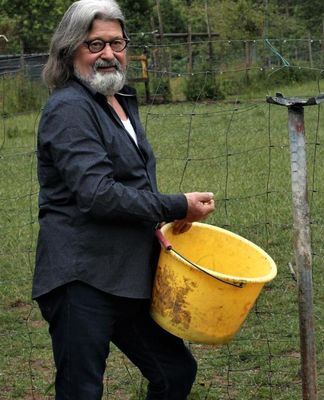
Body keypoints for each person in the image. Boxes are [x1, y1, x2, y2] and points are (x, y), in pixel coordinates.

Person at [33, 1, 214, 398]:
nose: (108, 54)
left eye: (116, 43)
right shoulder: (69, 109)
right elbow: (96, 194)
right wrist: (175, 205)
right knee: (81, 390)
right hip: (80, 277)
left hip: (127, 273)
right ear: (69, 51)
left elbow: (132, 182)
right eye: (94, 44)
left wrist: (163, 226)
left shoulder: (120, 99)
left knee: (174, 371)